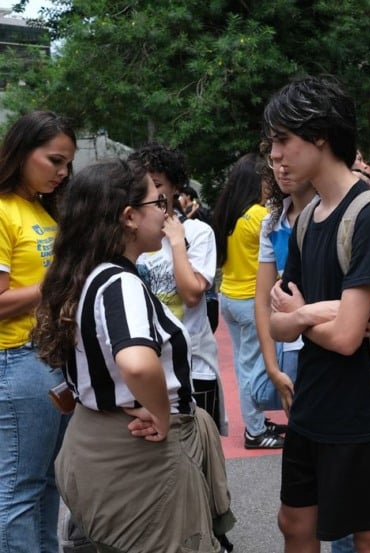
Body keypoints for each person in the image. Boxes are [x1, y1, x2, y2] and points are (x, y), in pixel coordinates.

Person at [32, 159, 234, 553]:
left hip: (97, 440)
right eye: (158, 202)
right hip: (136, 452)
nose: (166, 212)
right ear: (128, 217)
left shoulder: (85, 273)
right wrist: (161, 414)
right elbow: (137, 362)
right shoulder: (119, 282)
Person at [265, 75, 370, 553]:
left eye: (283, 139)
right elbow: (278, 322)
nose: (275, 154)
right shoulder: (305, 218)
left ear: (319, 136)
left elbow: (347, 338)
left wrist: (303, 316)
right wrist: (307, 316)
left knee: (369, 534)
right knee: (293, 523)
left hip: (356, 408)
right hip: (310, 403)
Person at [256, 147, 357, 553]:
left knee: (347, 501)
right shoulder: (275, 223)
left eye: (287, 155)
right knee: (301, 502)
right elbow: (266, 304)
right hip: (295, 355)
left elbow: (352, 325)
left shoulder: (345, 213)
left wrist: (301, 316)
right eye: (273, 161)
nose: (281, 166)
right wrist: (273, 366)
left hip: (338, 364)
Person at [0, 110, 75, 552]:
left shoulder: (40, 209)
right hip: (18, 362)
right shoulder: (4, 211)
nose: (63, 173)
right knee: (18, 491)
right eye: (54, 160)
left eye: (67, 164)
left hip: (49, 361)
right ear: (23, 152)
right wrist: (53, 283)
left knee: (47, 485)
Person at [130, 143, 228, 435]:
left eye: (158, 185)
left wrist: (175, 241)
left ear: (175, 187)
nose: (151, 193)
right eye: (143, 186)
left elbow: (192, 293)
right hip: (148, 367)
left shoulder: (198, 233)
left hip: (194, 366)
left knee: (201, 458)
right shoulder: (129, 234)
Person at [212, 153, 287, 449]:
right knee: (253, 368)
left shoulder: (230, 214)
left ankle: (256, 422)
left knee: (246, 365)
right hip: (251, 301)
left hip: (230, 297)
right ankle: (254, 431)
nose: (270, 185)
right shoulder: (258, 217)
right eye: (267, 180)